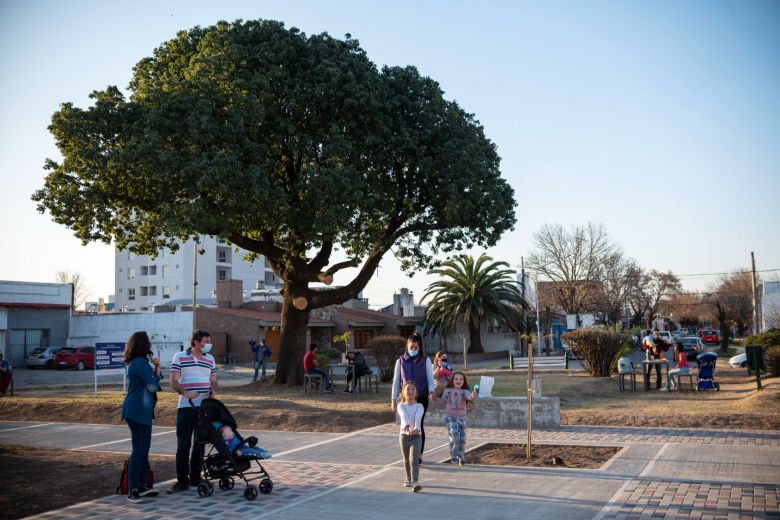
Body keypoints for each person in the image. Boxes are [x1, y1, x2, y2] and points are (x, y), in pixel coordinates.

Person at [167, 329, 218, 494]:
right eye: (206, 340)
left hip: (203, 409)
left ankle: (196, 477)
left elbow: (214, 382)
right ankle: (182, 481)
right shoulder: (179, 356)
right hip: (186, 408)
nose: (209, 344)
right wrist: (185, 392)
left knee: (200, 444)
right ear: (196, 341)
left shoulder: (210, 359)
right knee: (183, 445)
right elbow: (173, 381)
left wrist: (213, 391)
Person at [120, 331, 162, 503]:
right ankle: (133, 490)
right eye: (149, 342)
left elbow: (153, 381)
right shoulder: (139, 363)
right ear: (143, 345)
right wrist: (155, 372)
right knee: (139, 450)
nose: (150, 345)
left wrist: (157, 368)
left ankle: (142, 484)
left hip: (141, 411)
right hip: (137, 411)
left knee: (143, 449)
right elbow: (153, 386)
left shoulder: (142, 362)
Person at [391, 332, 435, 464]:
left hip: (421, 397)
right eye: (412, 347)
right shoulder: (400, 361)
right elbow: (396, 381)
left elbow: (430, 379)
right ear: (407, 346)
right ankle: (408, 453)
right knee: (406, 424)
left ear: (420, 347)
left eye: (416, 348)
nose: (414, 350)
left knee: (418, 423)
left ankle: (418, 455)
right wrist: (393, 399)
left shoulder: (426, 360)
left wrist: (431, 391)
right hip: (406, 399)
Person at [438, 371, 477, 465]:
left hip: (461, 418)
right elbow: (442, 401)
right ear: (452, 380)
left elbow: (469, 397)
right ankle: (454, 455)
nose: (458, 381)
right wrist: (434, 399)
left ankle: (461, 455)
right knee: (454, 434)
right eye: (456, 379)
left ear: (464, 381)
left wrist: (473, 395)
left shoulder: (465, 391)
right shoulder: (448, 390)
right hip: (450, 417)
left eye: (461, 379)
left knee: (462, 438)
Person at [397, 381, 424, 492]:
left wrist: (416, 428)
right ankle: (408, 478)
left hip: (417, 437)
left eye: (413, 389)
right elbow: (403, 416)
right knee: (406, 460)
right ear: (403, 392)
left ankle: (415, 482)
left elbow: (418, 417)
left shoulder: (420, 406)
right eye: (408, 389)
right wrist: (407, 425)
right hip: (404, 437)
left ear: (416, 392)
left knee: (414, 460)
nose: (410, 391)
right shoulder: (400, 405)